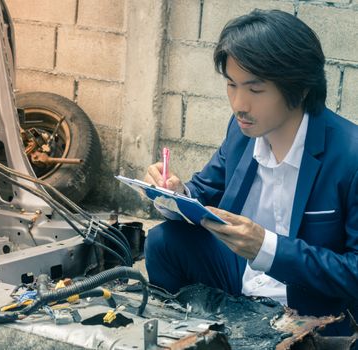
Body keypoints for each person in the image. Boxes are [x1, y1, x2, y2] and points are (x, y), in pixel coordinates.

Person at [144, 9, 358, 336]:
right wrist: (171, 193)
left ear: (299, 89)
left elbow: (354, 272)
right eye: (231, 85)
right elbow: (202, 193)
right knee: (163, 241)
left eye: (255, 90)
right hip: (242, 277)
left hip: (307, 300)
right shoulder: (242, 132)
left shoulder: (349, 154)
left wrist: (266, 248)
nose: (239, 104)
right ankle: (197, 336)